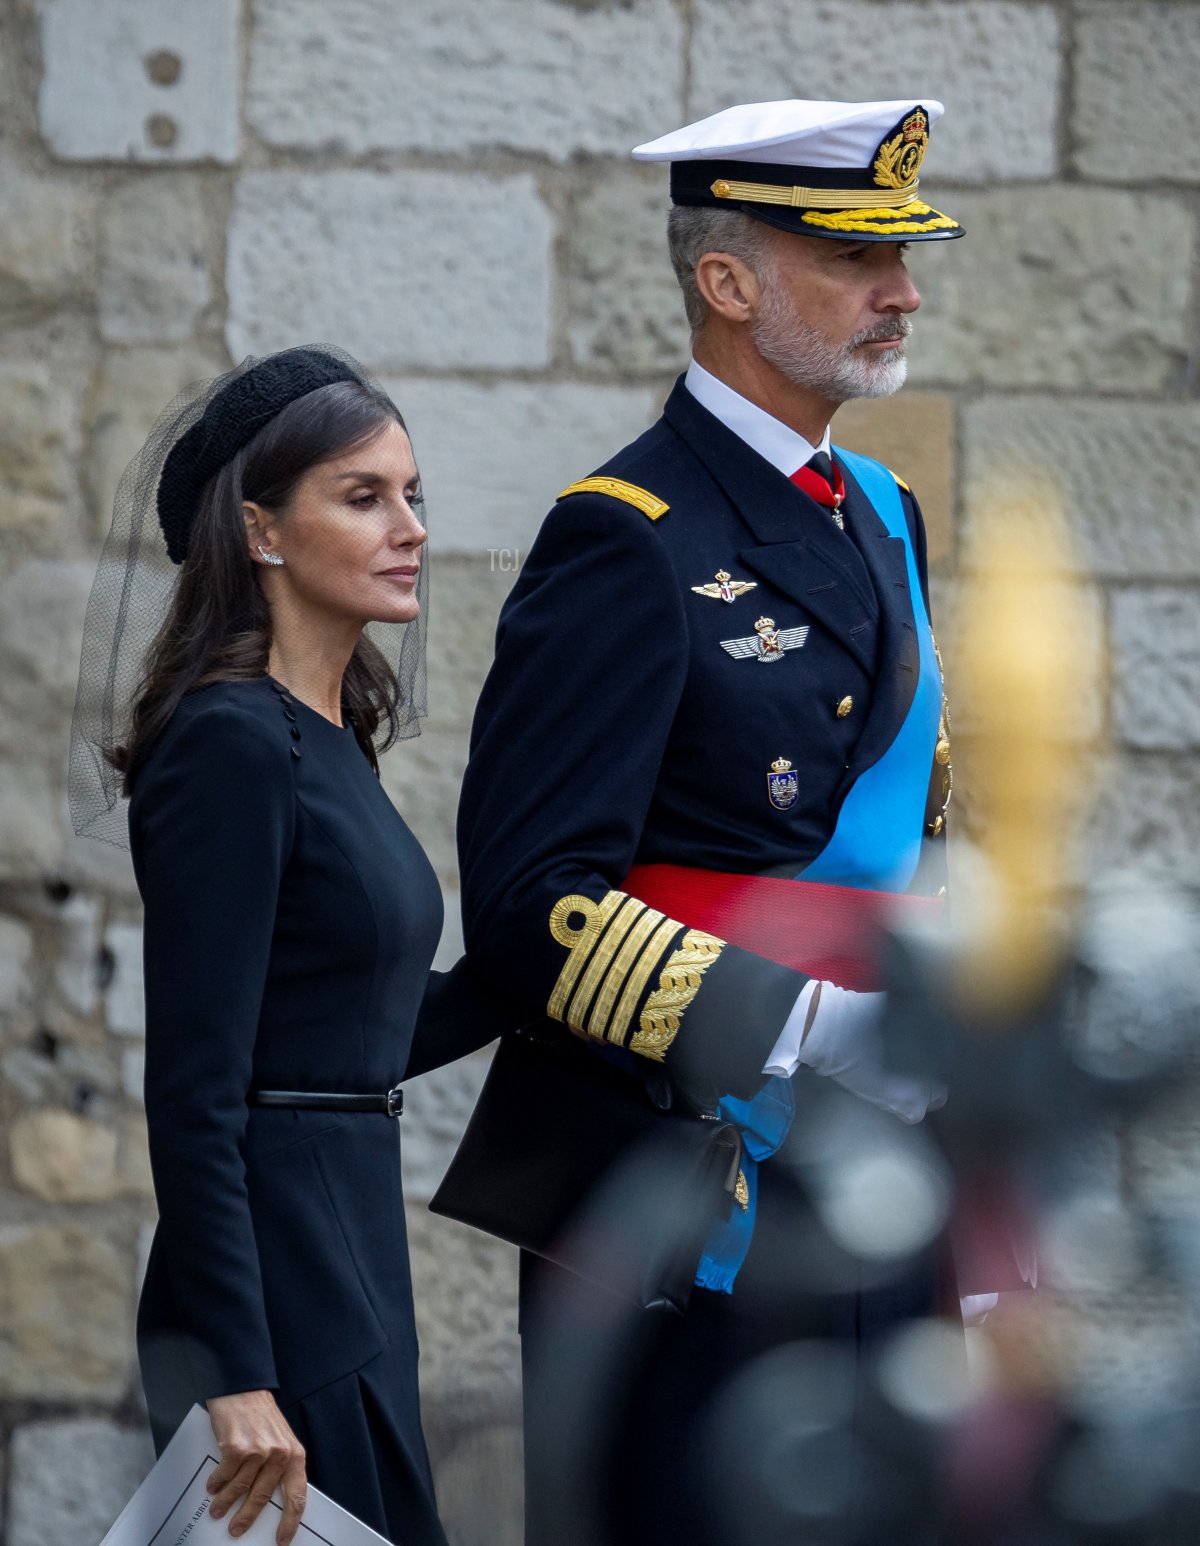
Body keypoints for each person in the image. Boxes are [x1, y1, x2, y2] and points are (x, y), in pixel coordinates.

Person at [455, 99, 964, 1543]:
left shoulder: (884, 508)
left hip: (881, 1173)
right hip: (681, 1196)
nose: (904, 290)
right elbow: (532, 899)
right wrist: (804, 1022)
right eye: (857, 255)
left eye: (906, 255)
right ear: (725, 282)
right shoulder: (624, 532)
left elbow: (916, 828)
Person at [69, 347, 501, 1546]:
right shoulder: (228, 741)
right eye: (364, 497)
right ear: (260, 529)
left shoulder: (330, 738)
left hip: (348, 1244)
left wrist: (539, 965)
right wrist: (235, 1369)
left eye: (413, 495)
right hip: (269, 1283)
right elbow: (196, 1083)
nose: (409, 526)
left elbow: (349, 1030)